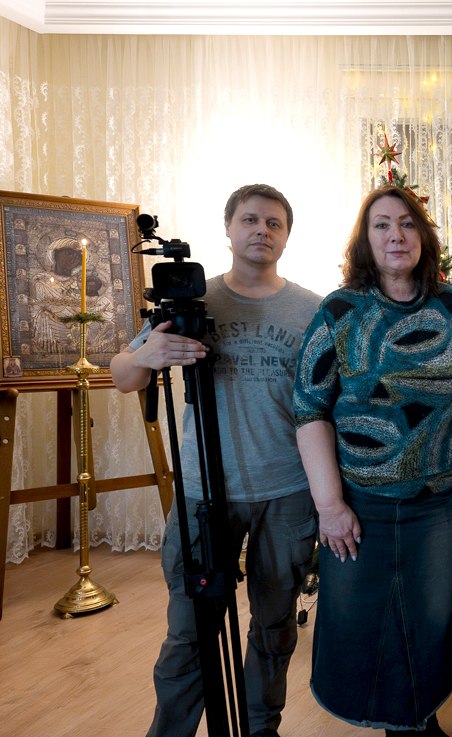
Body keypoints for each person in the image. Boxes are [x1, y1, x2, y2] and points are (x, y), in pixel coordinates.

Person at [111, 183, 321, 737]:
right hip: (204, 490)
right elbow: (121, 376)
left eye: (274, 223)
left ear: (287, 236)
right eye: (250, 220)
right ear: (228, 229)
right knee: (189, 631)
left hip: (288, 489)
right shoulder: (188, 302)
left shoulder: (312, 309)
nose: (261, 231)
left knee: (274, 627)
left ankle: (260, 727)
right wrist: (148, 354)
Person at [292, 184, 452, 736]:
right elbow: (309, 408)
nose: (396, 235)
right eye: (382, 225)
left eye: (406, 223)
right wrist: (329, 505)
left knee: (429, 621)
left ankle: (419, 719)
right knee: (362, 622)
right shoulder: (340, 311)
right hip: (361, 504)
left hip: (439, 501)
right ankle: (387, 721)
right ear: (366, 239)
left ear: (423, 235)